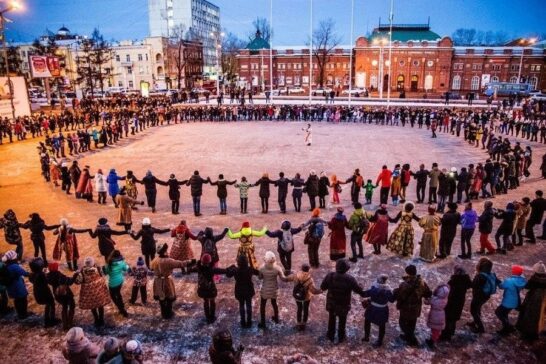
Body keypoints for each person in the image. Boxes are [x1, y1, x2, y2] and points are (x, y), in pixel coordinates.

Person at [320, 258, 366, 343]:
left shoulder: (330, 276)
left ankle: (330, 335)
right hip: (343, 304)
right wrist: (361, 286)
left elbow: (323, 287)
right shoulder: (350, 279)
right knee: (342, 321)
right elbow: (359, 291)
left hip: (332, 303)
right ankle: (341, 337)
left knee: (331, 319)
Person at [151, 243, 195, 319]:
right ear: (164, 252)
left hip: (157, 281)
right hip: (166, 282)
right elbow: (180, 264)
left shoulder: (155, 260)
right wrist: (190, 262)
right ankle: (168, 313)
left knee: (161, 298)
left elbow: (151, 268)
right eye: (166, 250)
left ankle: (163, 313)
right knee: (168, 298)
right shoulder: (169, 261)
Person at [393, 264, 432, 346]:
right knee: (412, 323)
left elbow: (400, 295)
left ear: (408, 273)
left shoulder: (404, 285)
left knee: (402, 323)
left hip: (406, 308)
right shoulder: (421, 282)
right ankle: (409, 336)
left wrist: (395, 291)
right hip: (416, 308)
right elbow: (428, 293)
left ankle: (411, 338)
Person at [188, 253, 229, 324]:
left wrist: (190, 264)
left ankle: (207, 317)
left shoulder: (198, 268)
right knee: (212, 302)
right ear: (209, 262)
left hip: (202, 289)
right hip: (211, 289)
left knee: (205, 302)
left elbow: (190, 269)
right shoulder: (212, 269)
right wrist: (228, 270)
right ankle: (212, 317)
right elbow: (221, 271)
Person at [74, 257, 111, 327]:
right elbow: (104, 274)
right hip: (99, 292)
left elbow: (78, 282)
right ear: (93, 263)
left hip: (89, 294)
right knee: (100, 306)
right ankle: (101, 319)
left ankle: (96, 319)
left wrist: (76, 275)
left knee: (93, 307)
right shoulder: (98, 269)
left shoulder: (82, 272)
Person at [361, 274, 395, 347]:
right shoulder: (388, 291)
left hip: (372, 308)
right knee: (382, 325)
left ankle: (366, 337)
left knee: (367, 321)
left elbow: (364, 294)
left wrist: (360, 289)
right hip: (382, 309)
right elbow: (392, 300)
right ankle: (379, 341)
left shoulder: (373, 289)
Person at [286, 263, 322, 331]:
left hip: (297, 296)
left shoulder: (295, 275)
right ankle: (303, 324)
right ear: (308, 270)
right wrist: (321, 291)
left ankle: (299, 323)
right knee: (305, 309)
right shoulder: (310, 279)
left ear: (301, 268)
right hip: (306, 297)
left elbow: (286, 279)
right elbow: (313, 291)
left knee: (299, 309)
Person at [225, 255, 259, 328]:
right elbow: (258, 273)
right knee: (249, 305)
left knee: (241, 306)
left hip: (239, 290)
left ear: (238, 262)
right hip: (249, 290)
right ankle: (249, 322)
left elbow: (228, 274)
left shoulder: (235, 270)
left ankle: (243, 322)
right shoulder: (250, 269)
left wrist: (231, 266)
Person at [440, 265, 472, 341]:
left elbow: (447, 288)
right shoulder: (466, 280)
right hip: (460, 301)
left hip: (452, 301)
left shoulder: (454, 280)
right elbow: (469, 285)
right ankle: (451, 332)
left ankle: (446, 335)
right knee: (453, 319)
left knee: (448, 318)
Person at [468, 257, 500, 333]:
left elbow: (472, 285)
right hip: (486, 296)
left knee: (473, 310)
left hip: (478, 296)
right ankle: (475, 322)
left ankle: (480, 328)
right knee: (477, 308)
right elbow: (499, 282)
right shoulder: (491, 274)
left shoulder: (480, 276)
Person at [516, 261, 546, 341]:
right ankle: (535, 332)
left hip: (533, 298)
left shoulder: (535, 278)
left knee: (529, 314)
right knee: (538, 315)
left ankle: (527, 332)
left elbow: (527, 286)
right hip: (543, 299)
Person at [258, 251, 288, 329]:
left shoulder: (261, 268)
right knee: (274, 303)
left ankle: (263, 323)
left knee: (263, 306)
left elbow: (260, 277)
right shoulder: (277, 268)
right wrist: (291, 277)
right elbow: (283, 278)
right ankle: (276, 318)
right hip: (274, 289)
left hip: (265, 289)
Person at [496, 265, 527, 335]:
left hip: (508, 301)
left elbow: (501, 286)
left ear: (513, 272)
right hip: (515, 301)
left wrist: (498, 281)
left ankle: (508, 327)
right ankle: (506, 328)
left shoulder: (509, 281)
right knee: (504, 313)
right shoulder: (521, 280)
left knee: (498, 312)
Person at [29, 257, 58, 327]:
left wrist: (43, 273)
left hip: (38, 293)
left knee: (48, 305)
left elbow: (33, 280)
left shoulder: (32, 274)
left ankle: (48, 320)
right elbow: (48, 281)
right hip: (44, 293)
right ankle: (49, 321)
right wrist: (47, 274)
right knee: (51, 304)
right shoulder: (41, 275)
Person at [46, 261, 76, 331]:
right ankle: (69, 323)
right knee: (72, 305)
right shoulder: (59, 275)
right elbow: (70, 282)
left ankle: (65, 325)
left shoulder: (48, 276)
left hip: (57, 294)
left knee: (64, 307)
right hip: (66, 294)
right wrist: (75, 276)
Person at [2, 250, 29, 319]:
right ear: (13, 258)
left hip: (10, 287)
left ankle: (20, 313)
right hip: (17, 287)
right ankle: (23, 314)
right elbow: (24, 273)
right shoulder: (14, 266)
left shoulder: (6, 265)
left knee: (17, 300)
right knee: (22, 300)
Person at [102, 250, 129, 317]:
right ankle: (121, 305)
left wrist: (103, 269)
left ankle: (121, 309)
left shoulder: (109, 264)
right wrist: (126, 264)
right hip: (120, 281)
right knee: (118, 293)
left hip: (112, 284)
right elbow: (126, 269)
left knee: (113, 296)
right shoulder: (121, 262)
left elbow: (105, 273)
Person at [424, 284, 450, 348]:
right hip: (441, 315)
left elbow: (426, 302)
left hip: (435, 315)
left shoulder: (435, 299)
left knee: (434, 329)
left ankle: (432, 342)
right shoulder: (445, 299)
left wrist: (426, 298)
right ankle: (433, 340)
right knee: (437, 330)